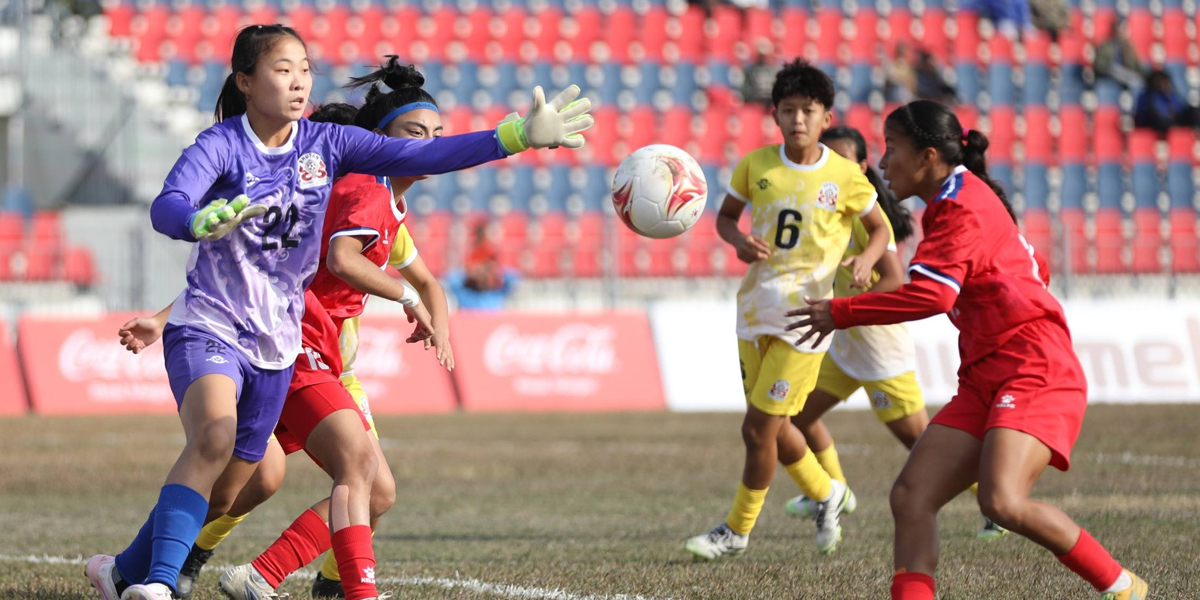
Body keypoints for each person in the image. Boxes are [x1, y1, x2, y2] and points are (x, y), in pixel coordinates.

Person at [84, 23, 593, 600]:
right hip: (212, 325)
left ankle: (123, 571)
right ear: (246, 82)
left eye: (305, 69)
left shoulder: (327, 145)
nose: (299, 81)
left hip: (277, 341)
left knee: (239, 485)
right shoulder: (220, 145)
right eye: (283, 69)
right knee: (218, 438)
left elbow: (428, 155)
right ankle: (160, 586)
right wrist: (193, 221)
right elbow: (169, 204)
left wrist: (516, 135)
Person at [785, 100, 1148, 600]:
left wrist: (842, 311)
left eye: (892, 149)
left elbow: (936, 295)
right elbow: (1035, 265)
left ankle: (1124, 587)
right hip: (986, 375)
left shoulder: (959, 204)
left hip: (1034, 371)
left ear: (927, 156)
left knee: (1002, 501)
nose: (884, 162)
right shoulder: (957, 200)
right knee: (912, 497)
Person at [172, 68, 456, 599]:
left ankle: (228, 569)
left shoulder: (385, 204)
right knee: (352, 474)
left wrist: (436, 320)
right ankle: (305, 581)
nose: (430, 148)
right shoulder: (363, 193)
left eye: (437, 137)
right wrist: (409, 299)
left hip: (327, 358)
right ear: (379, 142)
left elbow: (425, 280)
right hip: (294, 344)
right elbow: (329, 259)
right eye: (415, 134)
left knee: (282, 481)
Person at [684, 60, 892, 560]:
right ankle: (828, 493)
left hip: (807, 319)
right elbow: (726, 219)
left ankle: (736, 531)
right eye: (789, 110)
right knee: (778, 429)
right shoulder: (756, 165)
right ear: (775, 115)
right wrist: (737, 241)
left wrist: (864, 259)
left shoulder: (844, 176)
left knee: (756, 430)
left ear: (826, 117)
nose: (798, 119)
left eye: (809, 110)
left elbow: (882, 231)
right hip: (754, 312)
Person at [780, 126, 1008, 541]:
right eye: (826, 157)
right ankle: (833, 492)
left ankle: (994, 504)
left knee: (921, 444)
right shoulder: (826, 212)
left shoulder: (869, 220)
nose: (833, 165)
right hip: (845, 346)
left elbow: (895, 282)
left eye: (843, 158)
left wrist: (852, 300)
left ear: (862, 166)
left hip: (881, 352)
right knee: (796, 419)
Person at [446, 224, 518, 311]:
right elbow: (451, 279)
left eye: (485, 273)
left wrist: (494, 269)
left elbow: (513, 277)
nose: (483, 276)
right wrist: (472, 271)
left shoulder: (497, 294)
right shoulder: (464, 294)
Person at [1134, 69, 1199, 135]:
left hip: (1172, 121)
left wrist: (1168, 96)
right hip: (1156, 124)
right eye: (1158, 81)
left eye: (1163, 81)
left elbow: (1179, 108)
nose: (1161, 84)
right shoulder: (1148, 96)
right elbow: (1154, 113)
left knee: (1194, 111)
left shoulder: (1170, 94)